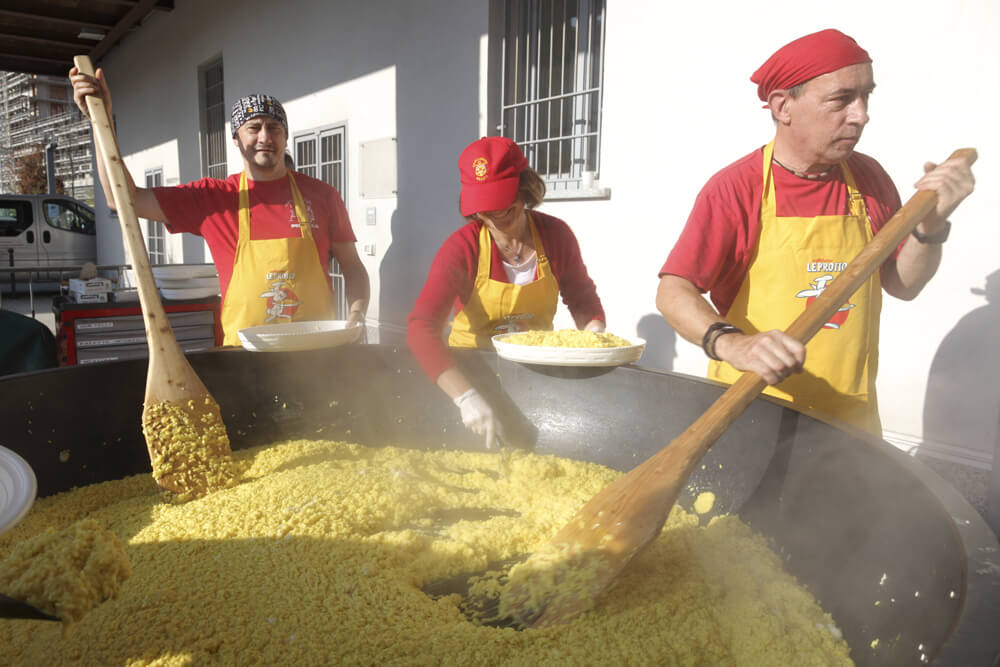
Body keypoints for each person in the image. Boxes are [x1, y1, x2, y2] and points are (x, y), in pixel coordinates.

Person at [656, 29, 975, 436]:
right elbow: (673, 290)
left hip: (849, 421)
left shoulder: (870, 178)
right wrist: (732, 344)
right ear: (783, 106)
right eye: (841, 99)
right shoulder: (738, 187)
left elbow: (903, 284)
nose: (861, 115)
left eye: (866, 97)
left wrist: (931, 227)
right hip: (751, 415)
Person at [68, 67, 369, 346]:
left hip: (317, 355)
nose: (265, 137)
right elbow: (124, 199)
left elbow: (353, 267)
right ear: (236, 138)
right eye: (254, 128)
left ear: (285, 136)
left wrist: (357, 315)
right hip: (243, 359)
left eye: (274, 128)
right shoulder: (213, 198)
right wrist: (101, 121)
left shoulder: (322, 195)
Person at [407, 137, 606, 446]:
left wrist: (594, 332)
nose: (494, 214)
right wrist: (465, 397)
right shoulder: (462, 248)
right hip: (470, 372)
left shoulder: (556, 236)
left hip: (536, 376)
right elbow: (421, 328)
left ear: (525, 189)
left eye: (503, 202)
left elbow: (581, 297)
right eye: (483, 208)